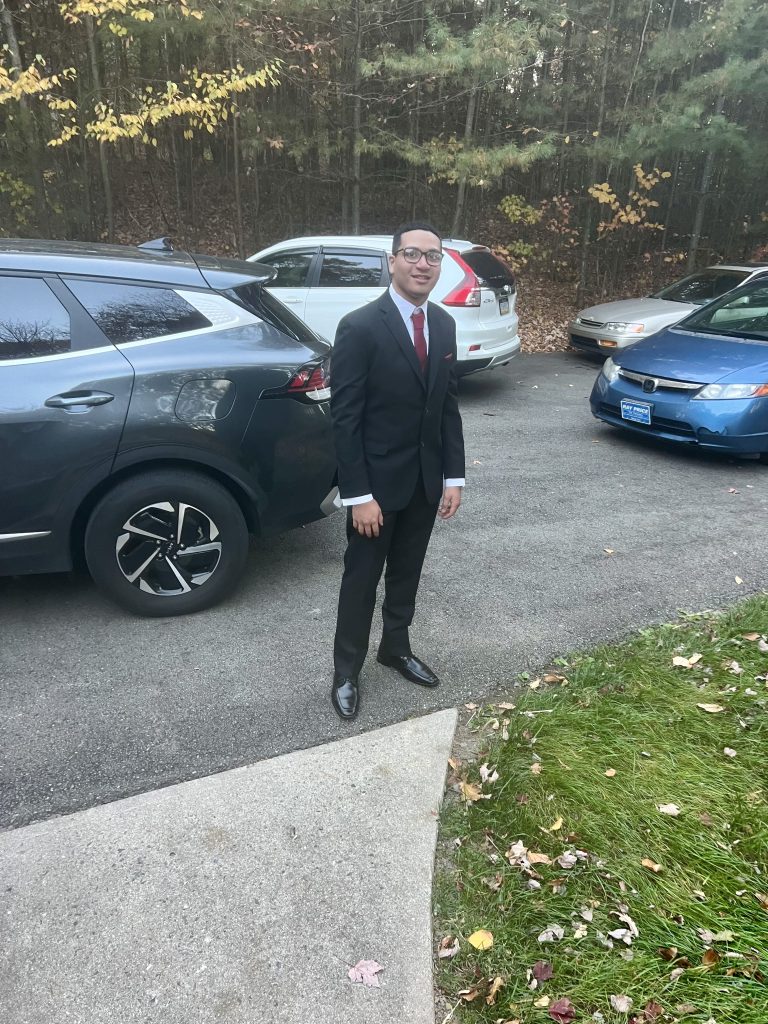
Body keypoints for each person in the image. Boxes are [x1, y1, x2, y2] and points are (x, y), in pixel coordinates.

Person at [329, 221, 465, 720]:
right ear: (392, 261)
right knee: (361, 579)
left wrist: (454, 477)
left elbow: (446, 407)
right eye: (412, 254)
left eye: (432, 256)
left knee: (407, 573)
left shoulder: (445, 325)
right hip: (376, 490)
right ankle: (346, 670)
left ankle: (396, 648)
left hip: (427, 483)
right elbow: (344, 419)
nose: (422, 264)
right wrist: (358, 493)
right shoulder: (360, 327)